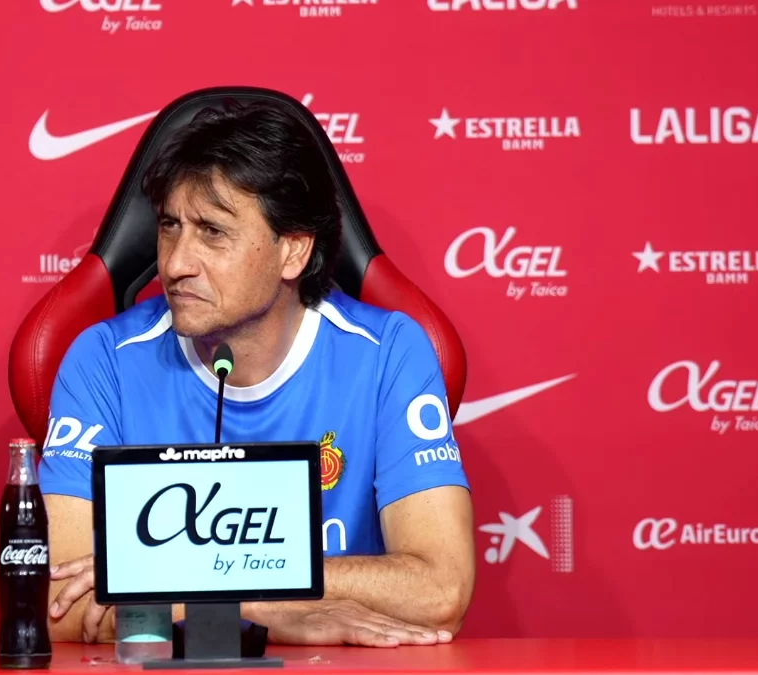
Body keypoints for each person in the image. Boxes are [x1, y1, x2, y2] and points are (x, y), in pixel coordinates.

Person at [39, 98, 475, 648]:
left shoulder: (389, 353)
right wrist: (264, 609)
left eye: (212, 232)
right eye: (170, 226)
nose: (175, 264)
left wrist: (192, 592)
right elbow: (62, 607)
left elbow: (441, 590)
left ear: (293, 252)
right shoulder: (103, 359)